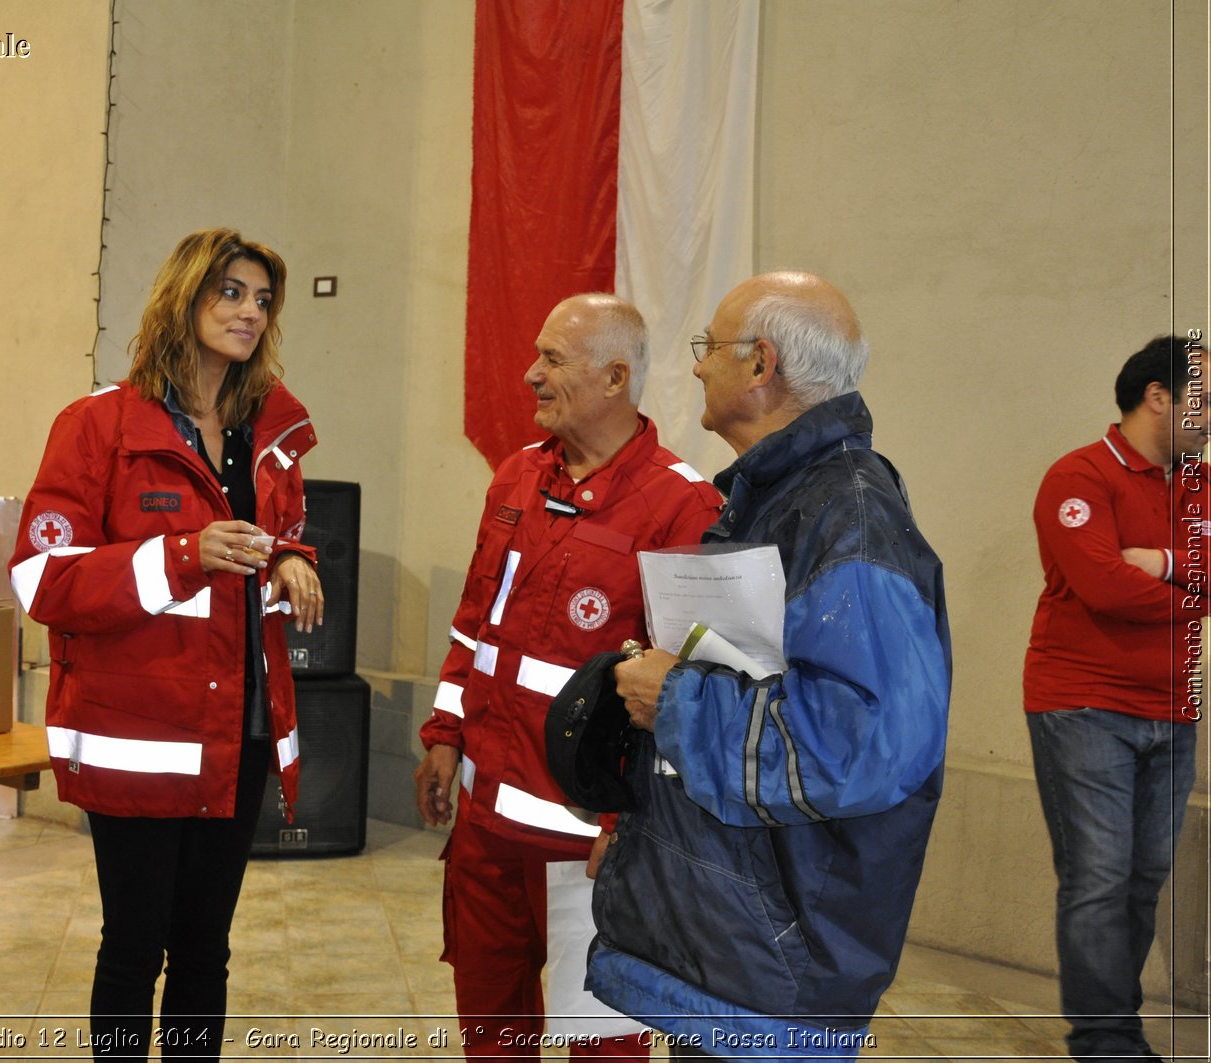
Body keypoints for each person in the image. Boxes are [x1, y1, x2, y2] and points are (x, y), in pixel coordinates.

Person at [593, 271, 951, 1059]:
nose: (694, 367)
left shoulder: (850, 516)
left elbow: (860, 745)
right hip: (738, 944)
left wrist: (675, 698)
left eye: (707, 349)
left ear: (761, 364)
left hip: (782, 961)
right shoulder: (778, 497)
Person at [9, 228, 322, 1060]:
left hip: (242, 730)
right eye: (230, 292)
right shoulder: (96, 426)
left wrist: (291, 557)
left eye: (262, 299)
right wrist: (180, 555)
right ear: (182, 297)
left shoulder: (267, 429)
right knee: (133, 949)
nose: (250, 311)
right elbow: (43, 580)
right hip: (140, 737)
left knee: (205, 952)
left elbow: (278, 530)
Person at [415, 293, 723, 1060]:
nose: (530, 375)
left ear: (616, 375)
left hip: (589, 849)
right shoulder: (517, 477)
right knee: (491, 1040)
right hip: (485, 839)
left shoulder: (684, 506)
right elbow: (473, 625)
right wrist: (445, 732)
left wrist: (626, 828)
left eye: (552, 359)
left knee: (602, 1050)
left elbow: (686, 691)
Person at [1023, 335, 1206, 1063]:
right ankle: (1105, 1040)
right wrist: (1197, 591)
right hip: (1083, 705)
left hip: (1173, 708)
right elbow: (1103, 586)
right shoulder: (1079, 476)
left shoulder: (1200, 483)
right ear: (1158, 395)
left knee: (1142, 879)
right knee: (1098, 876)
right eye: (1208, 399)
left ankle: (1115, 1023)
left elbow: (1143, 580)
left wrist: (1162, 564)